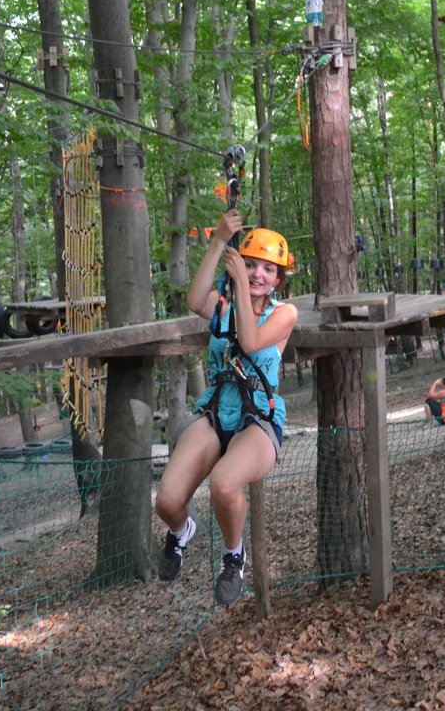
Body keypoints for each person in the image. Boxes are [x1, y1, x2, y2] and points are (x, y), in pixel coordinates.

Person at [155, 209, 298, 606]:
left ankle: (233, 556)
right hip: (217, 408)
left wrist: (238, 287)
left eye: (268, 270)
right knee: (167, 501)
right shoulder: (223, 307)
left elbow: (250, 342)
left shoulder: (284, 314)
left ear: (279, 279)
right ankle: (181, 532)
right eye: (250, 265)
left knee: (224, 483)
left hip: (258, 416)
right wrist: (219, 240)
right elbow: (194, 299)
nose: (257, 274)